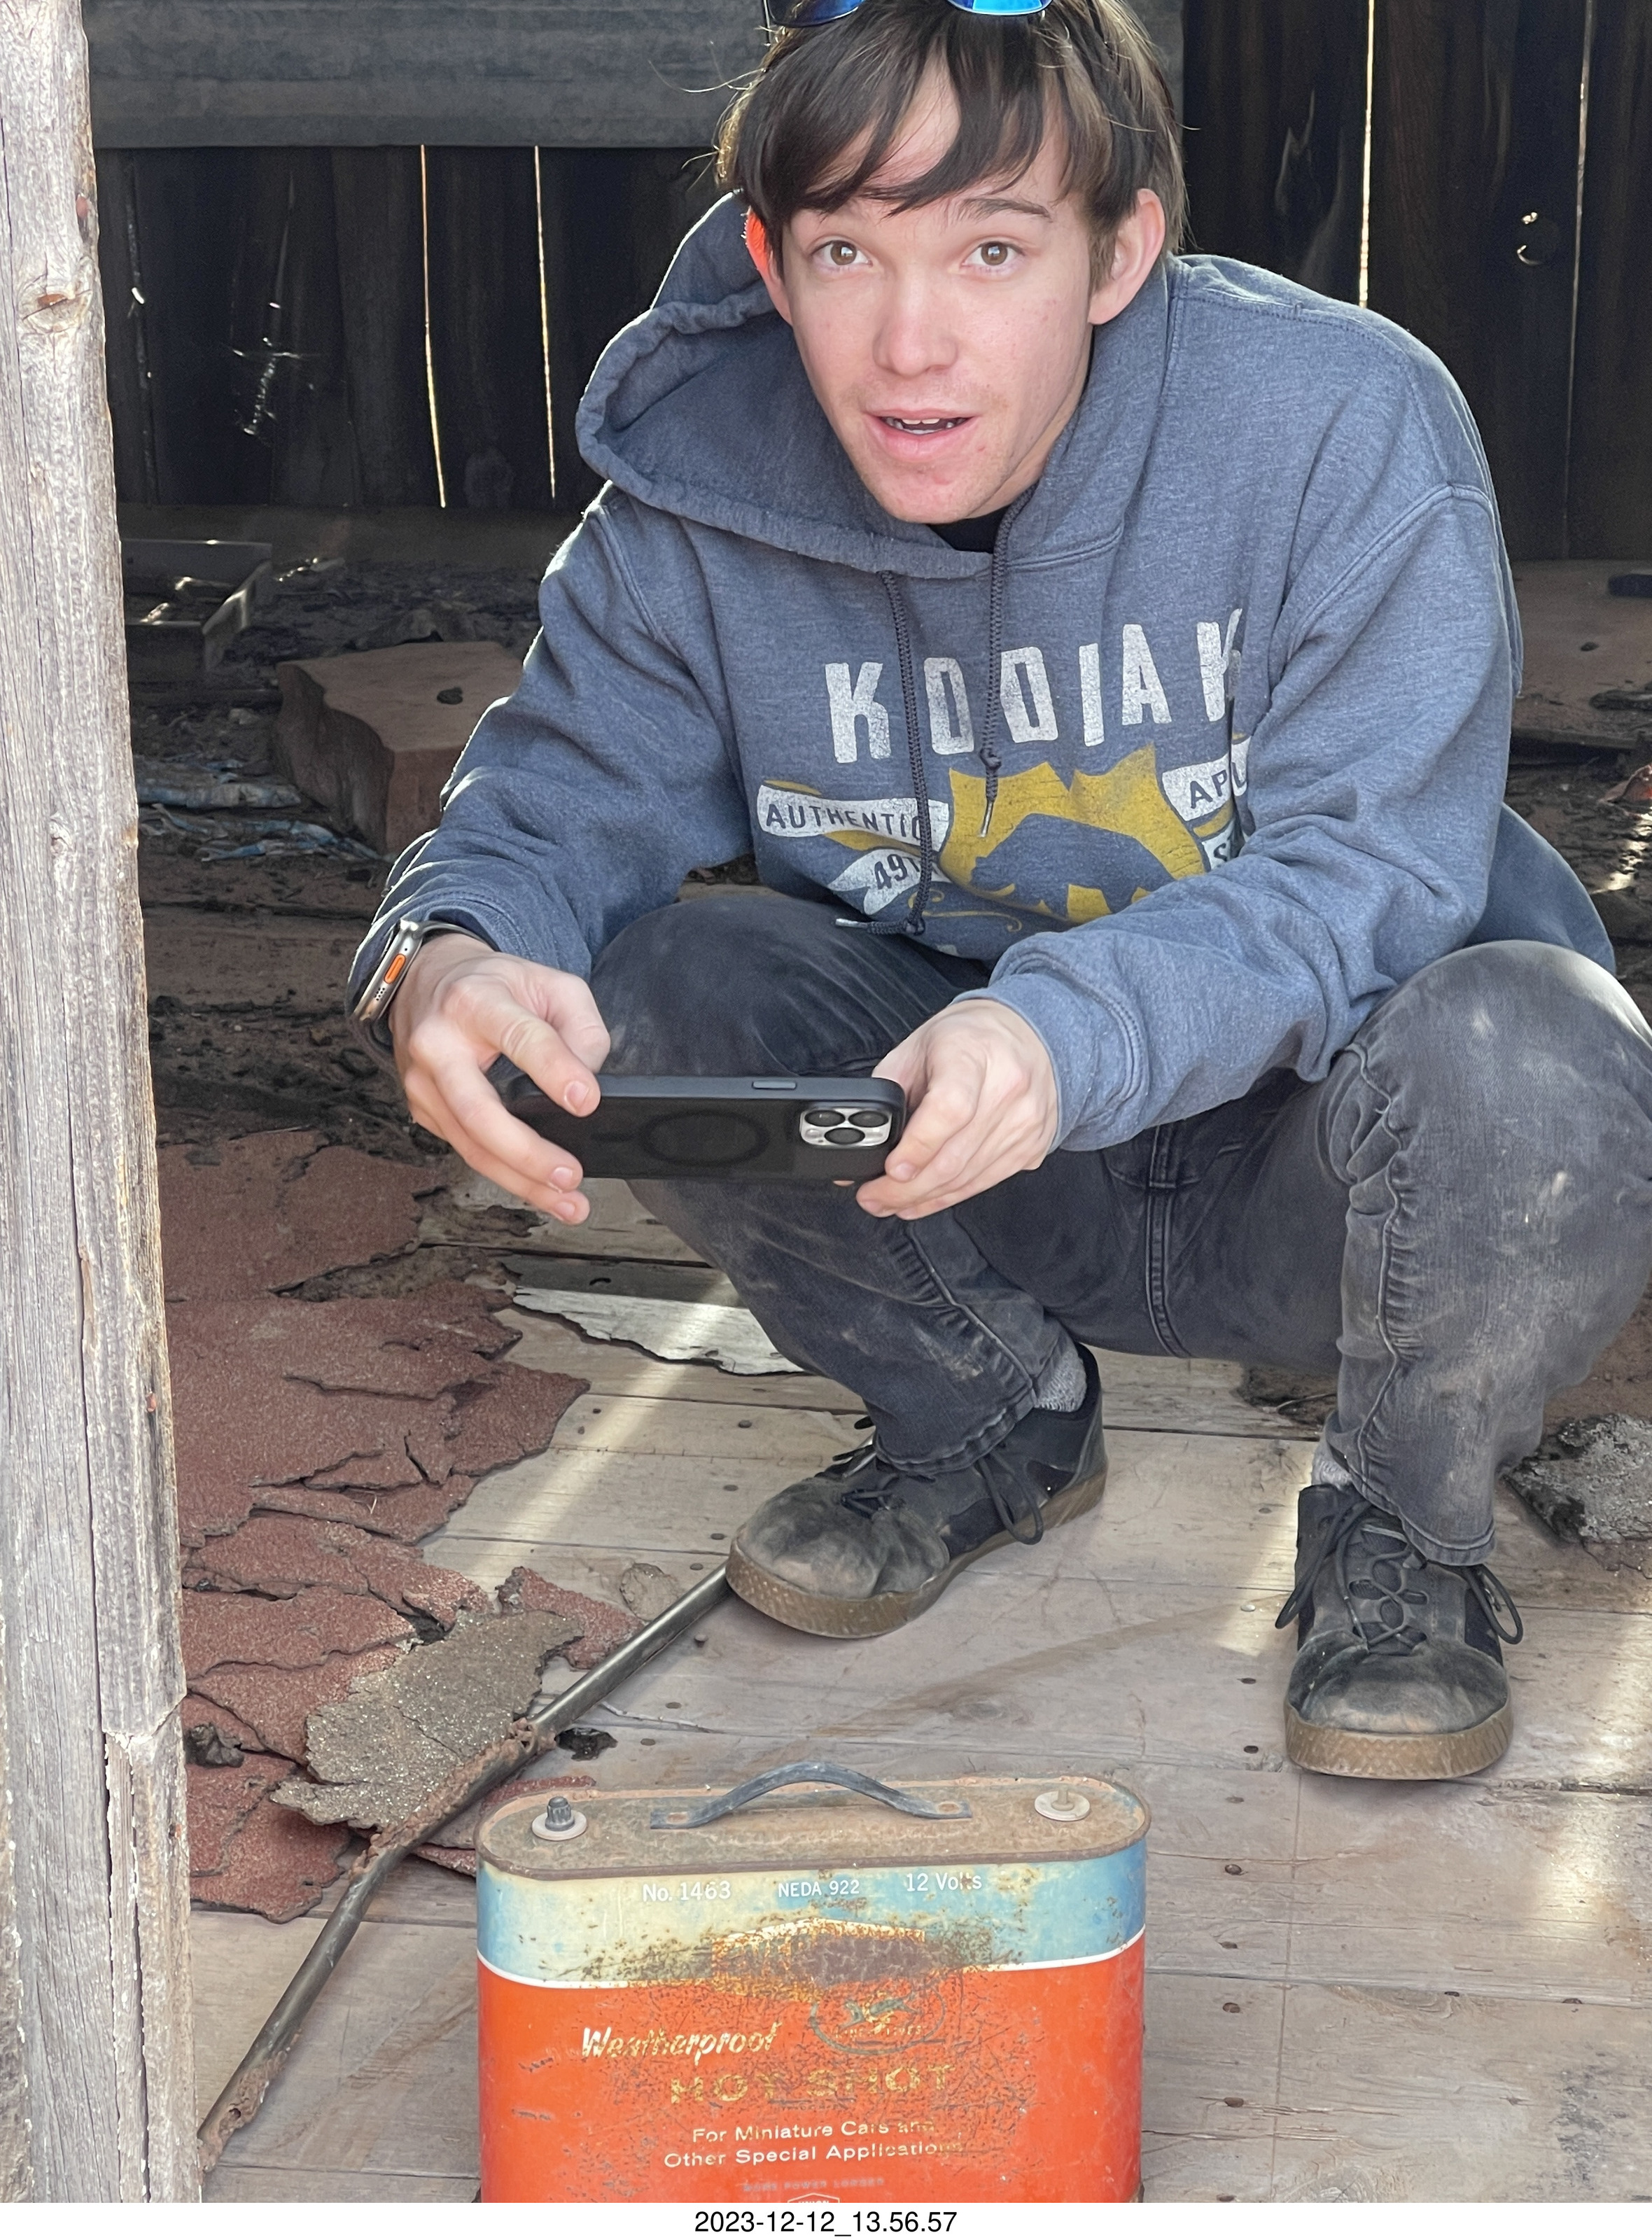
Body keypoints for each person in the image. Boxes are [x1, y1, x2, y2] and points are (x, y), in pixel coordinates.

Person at [350, 0, 1652, 1782]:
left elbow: (1376, 873)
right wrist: (449, 953)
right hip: (968, 1160)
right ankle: (982, 1415)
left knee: (1537, 1046)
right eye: (846, 252)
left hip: (1344, 1179)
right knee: (654, 990)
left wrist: (1061, 1032)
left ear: (1119, 250)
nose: (909, 342)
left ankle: (1403, 1524)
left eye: (989, 248)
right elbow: (550, 799)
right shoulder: (697, 489)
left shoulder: (1339, 423)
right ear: (769, 260)